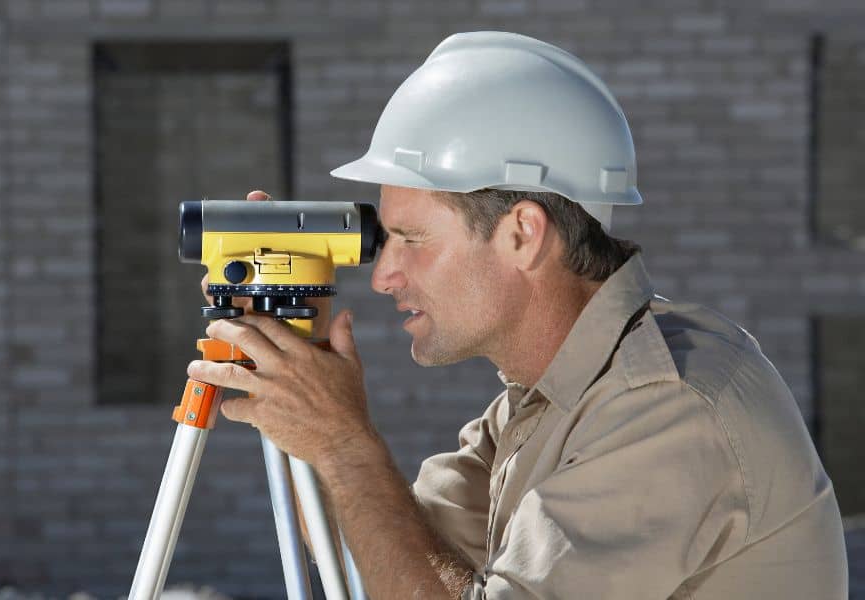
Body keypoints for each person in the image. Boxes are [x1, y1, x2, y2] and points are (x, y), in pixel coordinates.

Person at [189, 32, 848, 598]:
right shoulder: (545, 403)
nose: (384, 275)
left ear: (523, 235)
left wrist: (343, 443)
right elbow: (386, 558)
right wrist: (304, 386)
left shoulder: (668, 408)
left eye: (411, 239)